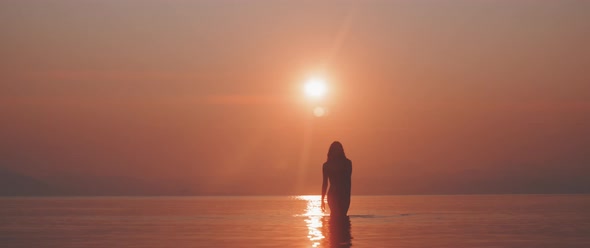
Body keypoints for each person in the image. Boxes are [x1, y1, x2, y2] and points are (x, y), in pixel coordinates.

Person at [321, 141, 352, 218]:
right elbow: (325, 184)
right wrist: (322, 200)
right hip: (333, 194)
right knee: (334, 216)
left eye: (338, 150)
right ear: (331, 151)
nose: (337, 152)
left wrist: (348, 197)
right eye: (335, 150)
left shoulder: (347, 163)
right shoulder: (326, 165)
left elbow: (348, 182)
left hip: (344, 195)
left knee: (342, 217)